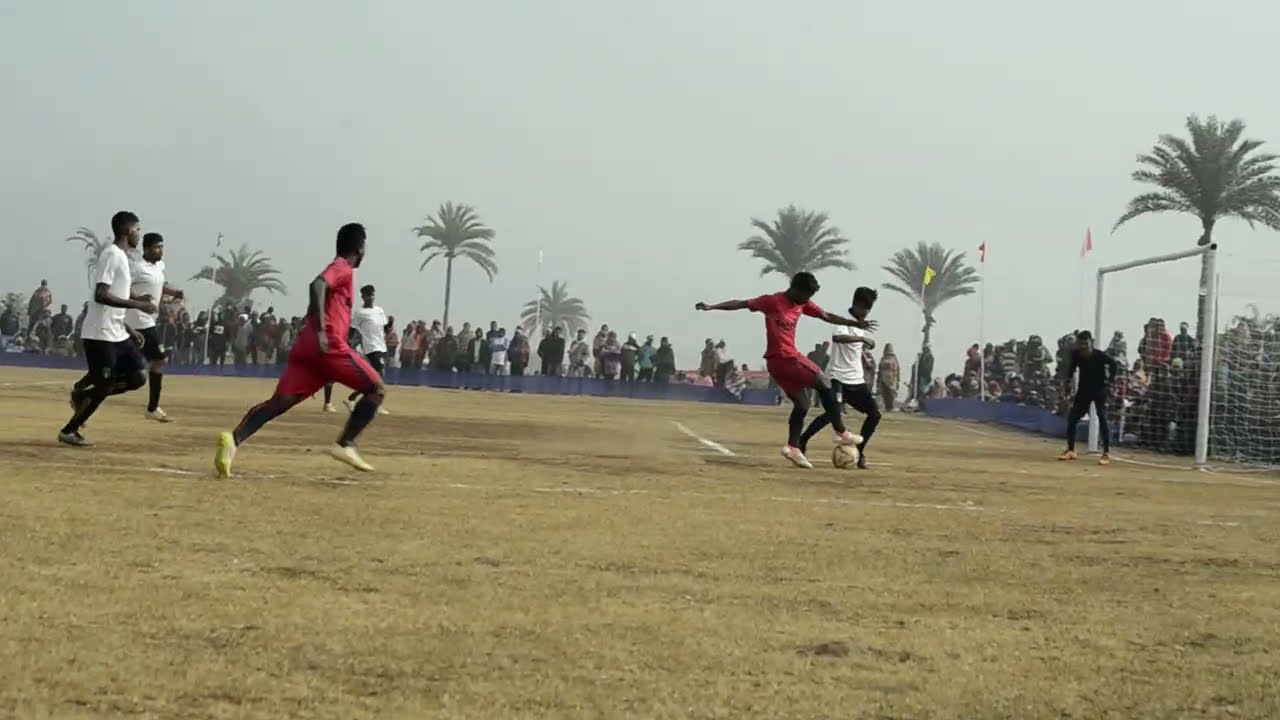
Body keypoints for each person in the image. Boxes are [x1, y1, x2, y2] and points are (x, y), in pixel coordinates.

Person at [214, 224, 384, 477]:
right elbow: (317, 284)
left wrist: (317, 328)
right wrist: (323, 332)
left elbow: (320, 295)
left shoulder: (343, 272)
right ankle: (345, 444)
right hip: (328, 347)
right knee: (377, 389)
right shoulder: (343, 268)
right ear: (360, 247)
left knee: (278, 403)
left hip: (308, 351)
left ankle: (233, 440)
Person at [695, 272, 875, 468]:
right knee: (823, 381)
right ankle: (841, 433)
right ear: (795, 289)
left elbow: (826, 316)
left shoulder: (803, 304)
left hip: (780, 364)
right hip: (784, 358)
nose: (808, 300)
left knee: (802, 404)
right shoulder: (772, 301)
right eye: (806, 295)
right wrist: (712, 307)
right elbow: (741, 303)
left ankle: (793, 447)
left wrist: (854, 323)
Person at [60, 211, 157, 447]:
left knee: (137, 376)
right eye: (137, 229)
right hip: (99, 334)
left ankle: (83, 395)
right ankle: (69, 431)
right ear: (127, 231)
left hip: (116, 332)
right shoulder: (111, 255)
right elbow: (101, 295)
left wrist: (128, 325)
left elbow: (118, 293)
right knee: (105, 384)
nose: (139, 234)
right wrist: (138, 304)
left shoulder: (123, 257)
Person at [795, 287, 881, 469]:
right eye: (864, 309)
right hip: (838, 377)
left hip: (856, 380)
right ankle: (802, 441)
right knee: (834, 413)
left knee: (875, 414)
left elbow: (853, 347)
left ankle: (860, 450)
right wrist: (863, 340)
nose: (866, 313)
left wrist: (864, 356)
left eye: (869, 310)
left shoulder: (861, 322)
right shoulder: (844, 318)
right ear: (856, 304)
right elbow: (838, 338)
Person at [126, 232, 184, 422]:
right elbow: (123, 288)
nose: (161, 251)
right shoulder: (136, 268)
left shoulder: (159, 266)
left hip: (148, 321)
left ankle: (82, 393)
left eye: (162, 247)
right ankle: (152, 408)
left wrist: (173, 292)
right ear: (147, 248)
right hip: (137, 321)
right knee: (159, 359)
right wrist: (137, 300)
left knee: (122, 365)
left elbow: (159, 285)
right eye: (157, 247)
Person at [1058, 330, 1118, 465]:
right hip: (1083, 391)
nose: (1083, 347)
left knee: (1102, 418)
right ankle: (1070, 450)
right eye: (1081, 344)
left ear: (1091, 342)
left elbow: (1113, 364)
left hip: (1099, 390)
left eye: (1085, 343)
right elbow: (1071, 370)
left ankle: (1106, 453)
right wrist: (1067, 385)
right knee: (1072, 418)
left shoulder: (1099, 356)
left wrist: (1110, 382)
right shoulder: (1076, 355)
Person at [343, 284, 390, 415]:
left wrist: (390, 324)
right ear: (363, 297)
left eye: (372, 295)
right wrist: (348, 343)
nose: (371, 298)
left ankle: (353, 398)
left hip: (381, 346)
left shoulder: (379, 310)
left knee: (375, 378)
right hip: (371, 347)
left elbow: (384, 329)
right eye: (368, 295)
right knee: (380, 375)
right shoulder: (360, 313)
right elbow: (352, 329)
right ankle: (375, 403)